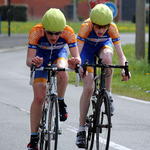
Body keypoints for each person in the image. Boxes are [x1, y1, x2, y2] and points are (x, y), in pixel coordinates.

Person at [76, 4, 131, 148]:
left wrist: (125, 69)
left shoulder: (112, 28)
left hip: (103, 47)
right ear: (92, 23)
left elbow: (120, 56)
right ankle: (81, 128)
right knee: (88, 89)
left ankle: (108, 93)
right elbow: (77, 53)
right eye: (98, 27)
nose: (101, 30)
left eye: (104, 27)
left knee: (107, 59)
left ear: (108, 24)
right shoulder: (85, 27)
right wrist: (78, 66)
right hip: (86, 50)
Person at [26, 8, 81, 150]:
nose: (54, 37)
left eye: (58, 33)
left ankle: (61, 102)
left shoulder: (68, 31)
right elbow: (28, 60)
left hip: (58, 55)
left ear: (63, 30)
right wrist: (34, 62)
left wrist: (75, 63)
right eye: (50, 32)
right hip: (41, 58)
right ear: (44, 29)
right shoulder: (36, 31)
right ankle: (34, 138)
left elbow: (77, 58)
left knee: (62, 69)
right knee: (39, 97)